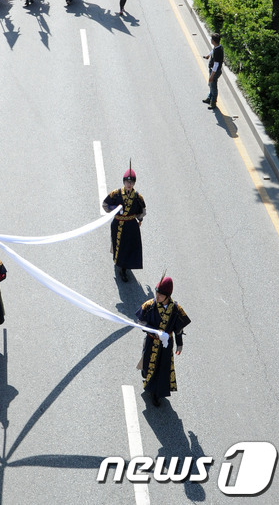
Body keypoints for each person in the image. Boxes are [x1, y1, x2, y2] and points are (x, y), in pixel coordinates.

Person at [136, 276, 191, 406]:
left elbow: (178, 329)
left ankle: (156, 393)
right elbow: (141, 322)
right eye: (157, 293)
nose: (158, 296)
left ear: (168, 296)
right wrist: (155, 331)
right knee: (148, 365)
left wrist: (180, 344)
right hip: (151, 341)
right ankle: (147, 377)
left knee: (162, 368)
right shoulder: (149, 305)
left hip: (166, 345)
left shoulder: (176, 309)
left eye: (161, 295)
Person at [102, 167, 146, 282]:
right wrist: (115, 208)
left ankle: (124, 269)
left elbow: (142, 210)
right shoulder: (116, 194)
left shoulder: (137, 197)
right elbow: (105, 205)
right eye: (127, 181)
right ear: (124, 182)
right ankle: (118, 261)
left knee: (129, 247)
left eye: (131, 182)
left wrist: (140, 219)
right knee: (119, 246)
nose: (129, 184)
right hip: (118, 224)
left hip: (131, 226)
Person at [203, 33, 224, 110]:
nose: (211, 40)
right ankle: (209, 97)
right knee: (211, 85)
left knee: (213, 86)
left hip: (214, 71)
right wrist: (208, 55)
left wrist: (211, 76)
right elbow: (213, 50)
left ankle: (213, 102)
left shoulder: (218, 52)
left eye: (211, 39)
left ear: (214, 41)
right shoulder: (218, 47)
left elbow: (215, 65)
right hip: (213, 70)